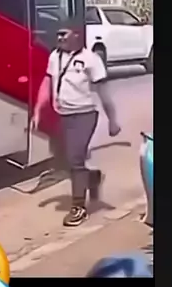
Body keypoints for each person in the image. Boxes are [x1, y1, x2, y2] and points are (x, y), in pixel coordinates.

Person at [32, 20, 121, 227]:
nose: (60, 38)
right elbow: (47, 83)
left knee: (75, 158)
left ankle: (78, 208)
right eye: (58, 34)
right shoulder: (55, 56)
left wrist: (113, 121)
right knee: (67, 161)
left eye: (64, 34)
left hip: (85, 116)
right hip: (63, 115)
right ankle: (92, 178)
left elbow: (104, 93)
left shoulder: (91, 60)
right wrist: (38, 110)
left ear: (77, 35)